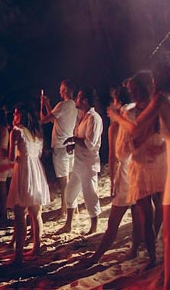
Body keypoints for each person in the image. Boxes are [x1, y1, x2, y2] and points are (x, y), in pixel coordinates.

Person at [111, 56, 170, 290]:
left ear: (156, 80)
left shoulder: (161, 98)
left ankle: (168, 285)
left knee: (169, 236)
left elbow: (136, 127)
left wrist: (117, 115)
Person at [113, 71, 165, 266]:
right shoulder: (133, 111)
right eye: (131, 90)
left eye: (135, 90)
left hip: (156, 164)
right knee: (146, 214)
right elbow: (126, 144)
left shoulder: (153, 108)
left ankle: (157, 250)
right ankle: (152, 256)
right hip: (142, 166)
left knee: (159, 208)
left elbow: (167, 134)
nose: (133, 93)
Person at [88, 84, 141, 265]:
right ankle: (135, 250)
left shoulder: (116, 126)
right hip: (137, 173)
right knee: (137, 216)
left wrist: (112, 182)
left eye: (114, 100)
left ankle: (96, 257)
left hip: (127, 176)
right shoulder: (136, 118)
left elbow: (112, 157)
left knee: (114, 221)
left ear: (118, 102)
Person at [7, 102, 50, 265]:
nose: (13, 117)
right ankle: (36, 246)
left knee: (20, 215)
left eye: (15, 114)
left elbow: (11, 156)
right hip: (36, 170)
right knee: (36, 212)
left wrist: (13, 157)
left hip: (24, 170)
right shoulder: (37, 133)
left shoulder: (16, 131)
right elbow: (38, 153)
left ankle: (18, 256)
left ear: (21, 116)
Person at [57, 86, 104, 235]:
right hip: (78, 163)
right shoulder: (82, 116)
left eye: (78, 97)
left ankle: (94, 227)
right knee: (69, 193)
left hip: (89, 164)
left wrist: (74, 140)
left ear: (84, 100)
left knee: (90, 196)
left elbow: (90, 143)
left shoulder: (94, 119)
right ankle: (68, 224)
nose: (76, 99)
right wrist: (73, 144)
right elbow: (80, 140)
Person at [41, 80, 79, 216]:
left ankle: (65, 209)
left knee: (64, 182)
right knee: (70, 178)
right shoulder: (75, 105)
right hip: (71, 145)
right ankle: (73, 207)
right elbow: (55, 118)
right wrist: (47, 104)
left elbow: (45, 119)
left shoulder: (62, 105)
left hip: (60, 146)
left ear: (66, 90)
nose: (59, 92)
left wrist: (42, 106)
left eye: (61, 89)